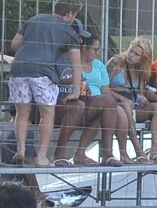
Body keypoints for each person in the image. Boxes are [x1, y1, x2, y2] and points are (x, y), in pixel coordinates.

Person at [7, 0, 86, 167]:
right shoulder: (68, 31)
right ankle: (41, 156)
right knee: (47, 114)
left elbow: (14, 44)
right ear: (71, 14)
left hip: (19, 69)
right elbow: (76, 64)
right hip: (43, 73)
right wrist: (75, 91)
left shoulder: (34, 20)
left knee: (22, 113)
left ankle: (20, 150)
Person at [55, 33, 134, 164]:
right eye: (95, 50)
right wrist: (71, 82)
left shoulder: (98, 65)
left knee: (108, 103)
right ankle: (59, 153)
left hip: (86, 101)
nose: (97, 53)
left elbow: (106, 91)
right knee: (87, 106)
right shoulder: (63, 60)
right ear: (84, 47)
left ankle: (107, 153)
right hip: (63, 102)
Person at [107, 37, 157, 161]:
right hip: (115, 102)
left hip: (132, 104)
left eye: (136, 54)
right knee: (126, 106)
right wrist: (122, 98)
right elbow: (104, 88)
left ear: (143, 59)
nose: (131, 55)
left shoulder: (141, 71)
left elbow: (141, 93)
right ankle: (138, 150)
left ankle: (154, 150)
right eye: (131, 51)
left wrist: (142, 98)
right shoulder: (116, 62)